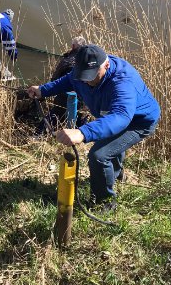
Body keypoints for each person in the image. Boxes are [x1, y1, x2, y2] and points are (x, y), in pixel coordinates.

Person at [27, 44, 160, 211]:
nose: (87, 81)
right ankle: (117, 175)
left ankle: (104, 203)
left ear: (106, 65)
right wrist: (43, 90)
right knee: (111, 146)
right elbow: (69, 80)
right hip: (112, 117)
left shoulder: (123, 81)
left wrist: (83, 132)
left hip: (138, 121)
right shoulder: (81, 73)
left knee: (99, 155)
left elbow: (121, 117)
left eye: (91, 76)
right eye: (83, 76)